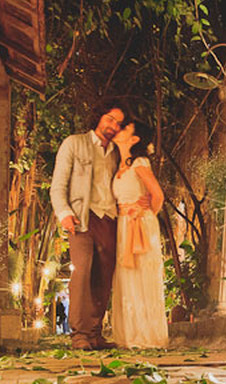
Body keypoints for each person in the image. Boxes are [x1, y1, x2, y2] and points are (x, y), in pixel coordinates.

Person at [51, 103, 124, 350]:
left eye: (118, 124)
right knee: (82, 273)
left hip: (111, 218)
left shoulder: (117, 152)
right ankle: (80, 334)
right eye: (110, 118)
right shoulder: (74, 143)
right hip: (82, 216)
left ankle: (95, 333)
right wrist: (64, 213)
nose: (112, 126)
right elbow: (58, 184)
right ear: (99, 116)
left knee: (103, 277)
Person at [110, 121, 168, 349]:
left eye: (125, 129)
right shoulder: (119, 166)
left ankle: (147, 335)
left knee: (142, 275)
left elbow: (158, 195)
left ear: (134, 140)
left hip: (140, 224)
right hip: (123, 224)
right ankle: (129, 334)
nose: (119, 130)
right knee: (126, 277)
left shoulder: (140, 163)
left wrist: (146, 215)